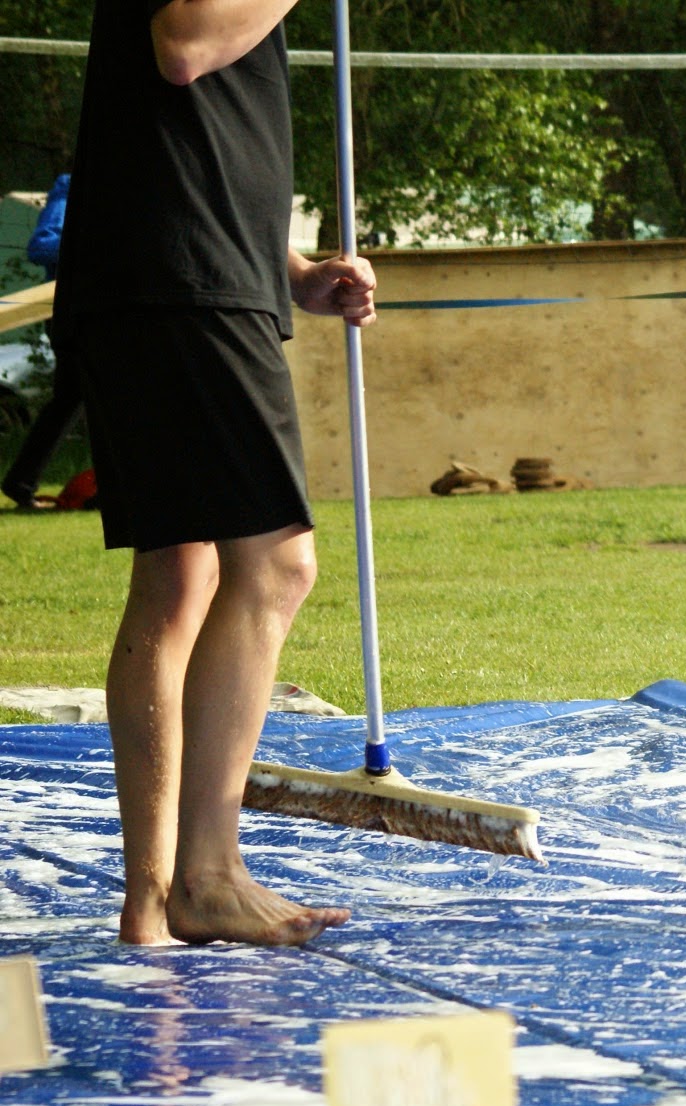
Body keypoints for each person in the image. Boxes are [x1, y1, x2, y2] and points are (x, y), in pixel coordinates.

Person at [55, 0, 375, 946]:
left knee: (181, 575)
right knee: (276, 563)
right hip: (181, 286)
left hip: (167, 269)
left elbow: (178, 130)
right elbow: (186, 43)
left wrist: (290, 269)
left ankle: (152, 898)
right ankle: (207, 872)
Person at [3, 172, 82, 510]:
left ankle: (21, 482)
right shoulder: (71, 185)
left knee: (72, 399)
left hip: (114, 310)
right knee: (73, 397)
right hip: (72, 313)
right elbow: (41, 246)